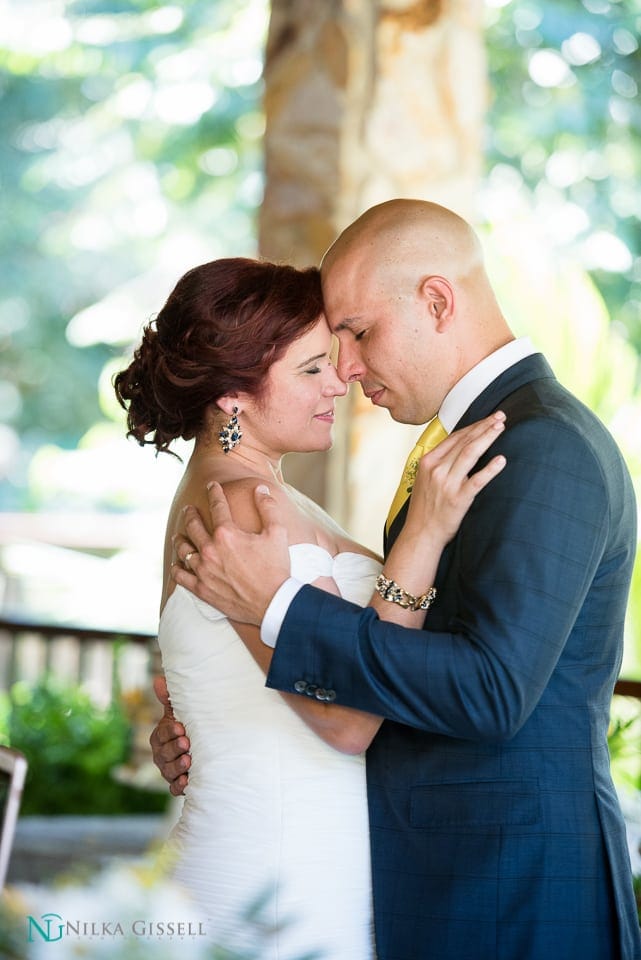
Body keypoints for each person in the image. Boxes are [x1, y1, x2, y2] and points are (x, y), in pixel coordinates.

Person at [160, 200, 641, 960]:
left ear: (436, 301)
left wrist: (276, 609)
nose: (345, 371)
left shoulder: (543, 446)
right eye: (321, 355)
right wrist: (202, 720)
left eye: (355, 333)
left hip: (511, 889)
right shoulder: (467, 445)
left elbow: (491, 689)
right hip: (424, 879)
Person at [114, 255, 506, 959]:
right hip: (274, 875)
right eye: (310, 369)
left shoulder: (251, 492)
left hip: (301, 859)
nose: (339, 383)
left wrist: (189, 726)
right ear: (233, 396)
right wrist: (424, 534)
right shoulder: (241, 505)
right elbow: (350, 720)